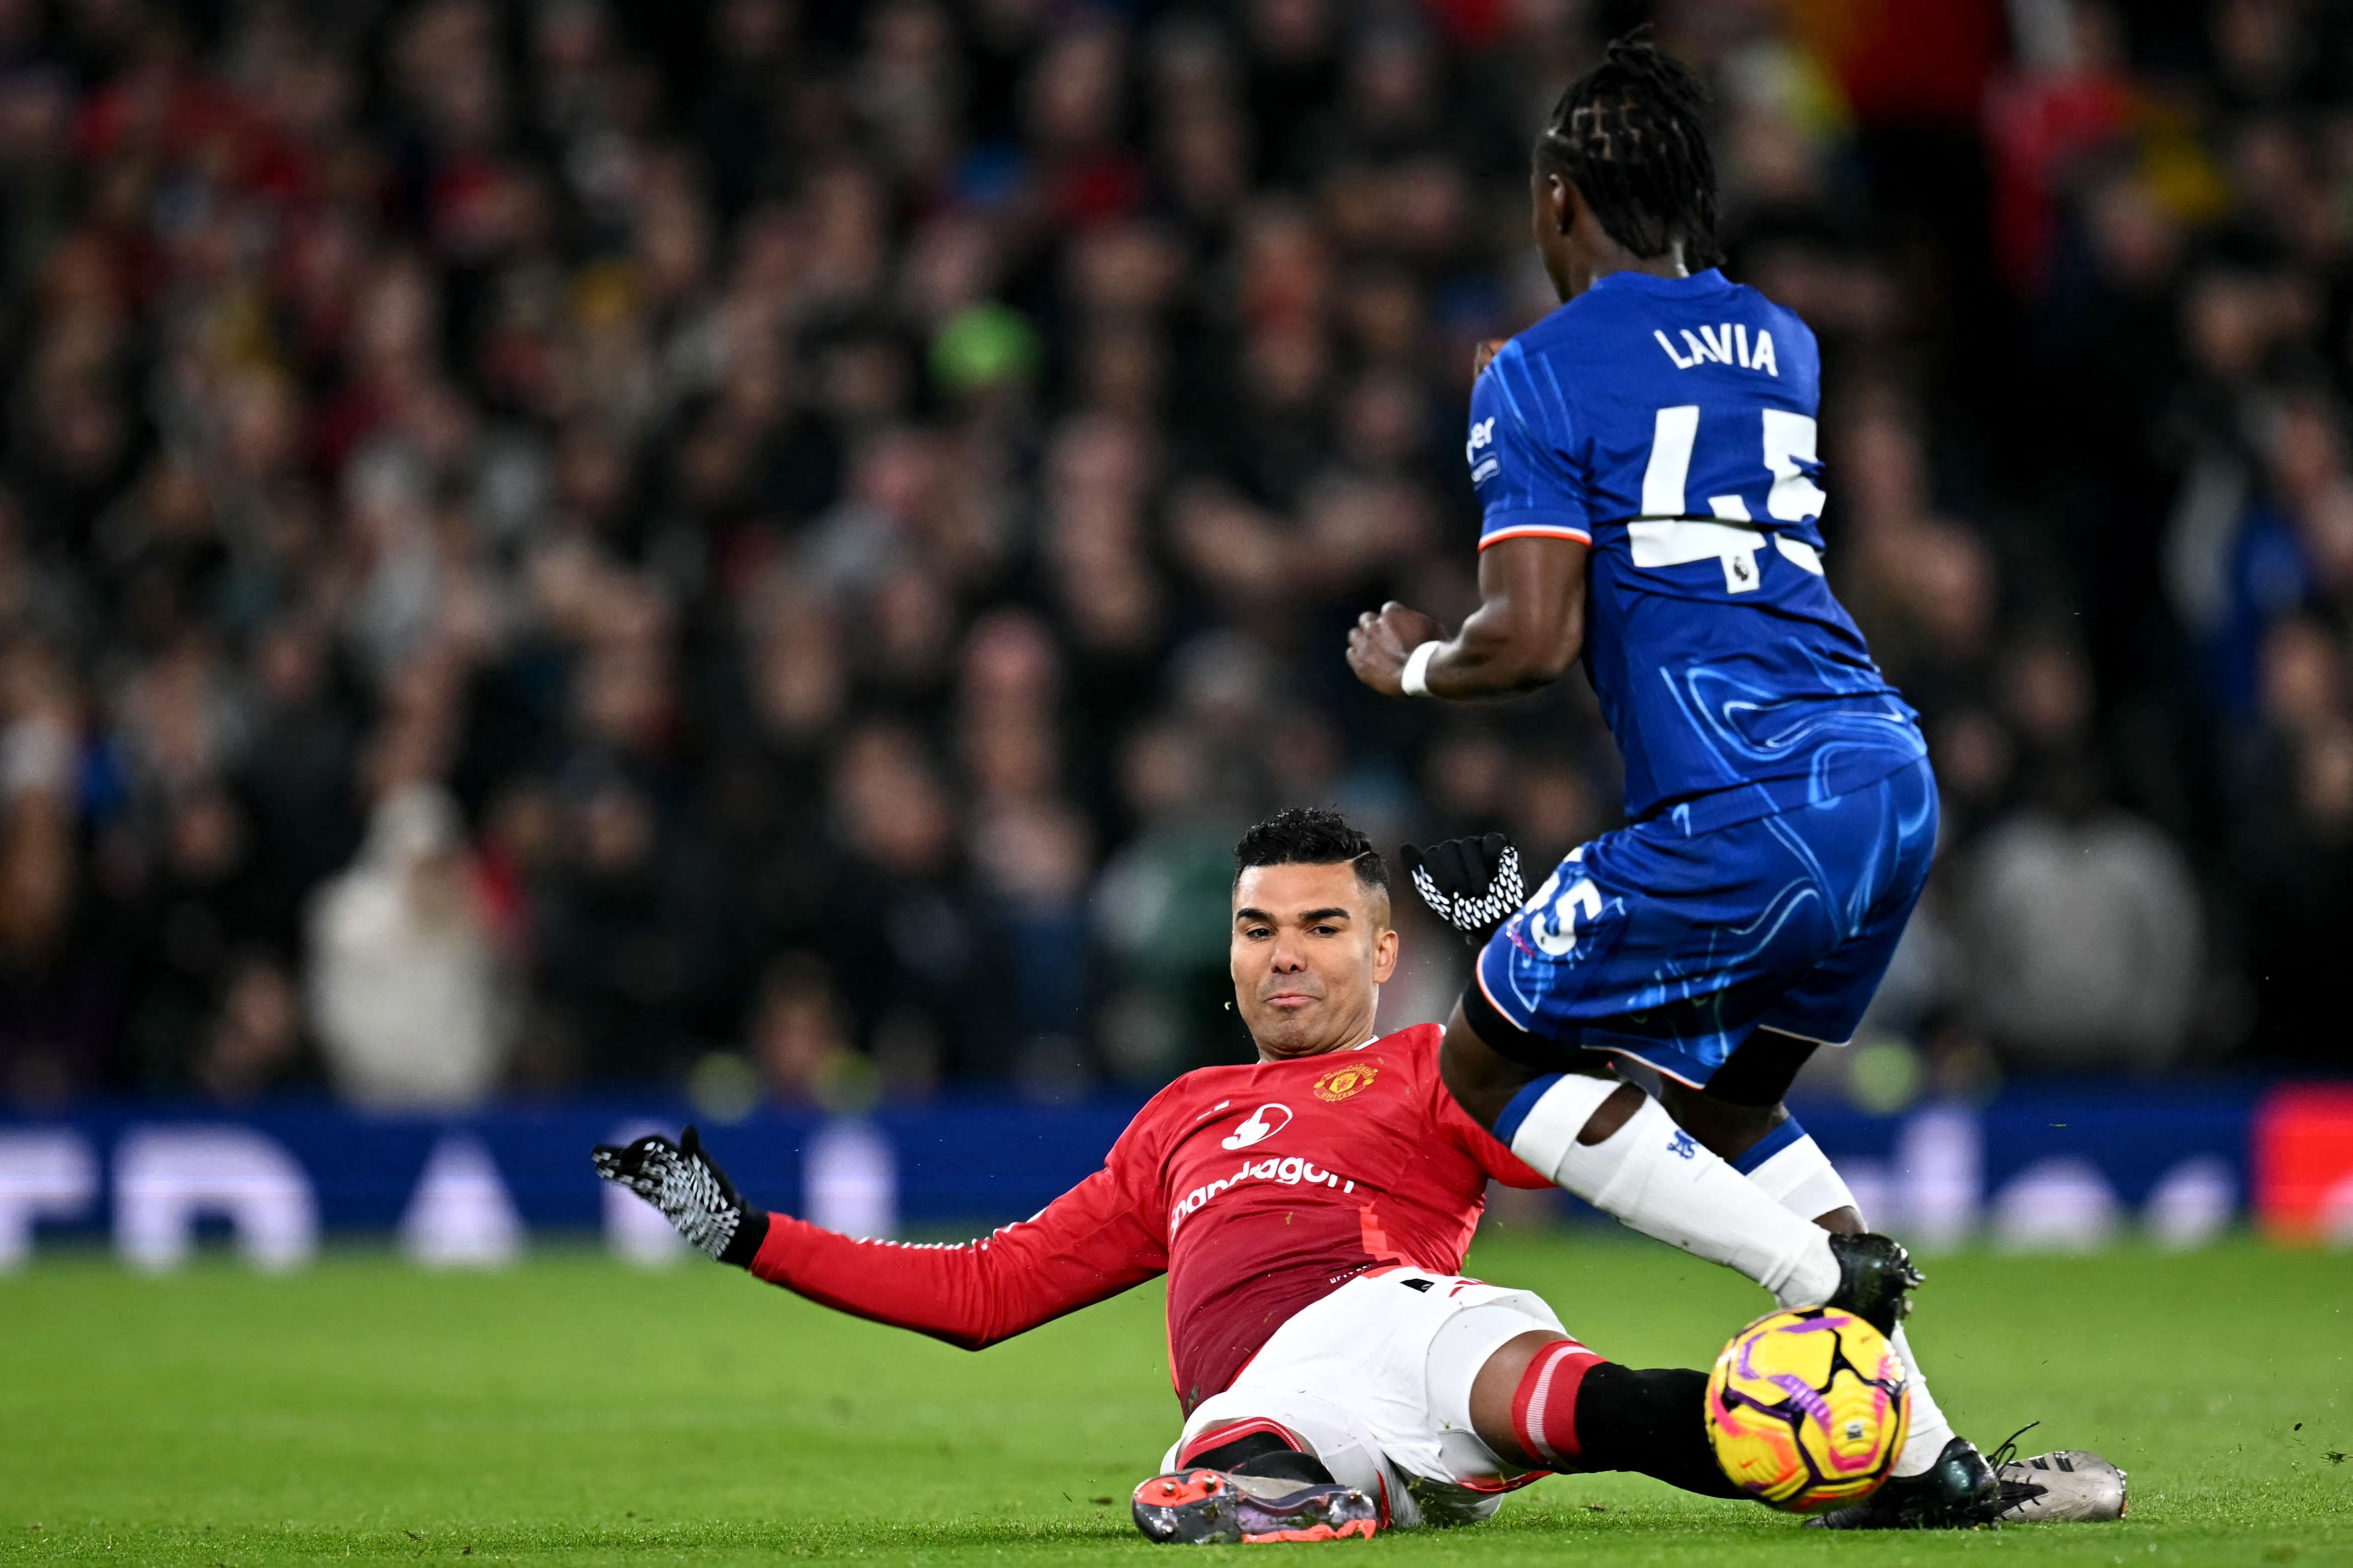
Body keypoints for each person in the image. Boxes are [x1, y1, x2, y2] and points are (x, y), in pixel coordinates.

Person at [1344, 33, 2124, 1529]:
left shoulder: (1536, 369)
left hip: (1744, 805)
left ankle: (1822, 1279)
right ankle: (1930, 1466)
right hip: (1884, 776)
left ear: (1561, 200)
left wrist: (1416, 667)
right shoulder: (1783, 340)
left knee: (1487, 1063)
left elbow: (1529, 635)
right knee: (1714, 1110)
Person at [594, 807, 1926, 1543]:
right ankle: (1281, 1489)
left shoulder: (1435, 1066)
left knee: (1566, 1397)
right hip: (1270, 1388)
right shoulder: (1180, 1115)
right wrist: (747, 1234)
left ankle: (1881, 1463)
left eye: (1321, 928)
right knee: (1225, 1445)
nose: (1285, 957)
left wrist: (1510, 941)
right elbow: (985, 1293)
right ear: (1227, 956)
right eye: (1257, 930)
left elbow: (1601, 1108)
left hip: (1404, 1322)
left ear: (1382, 950)